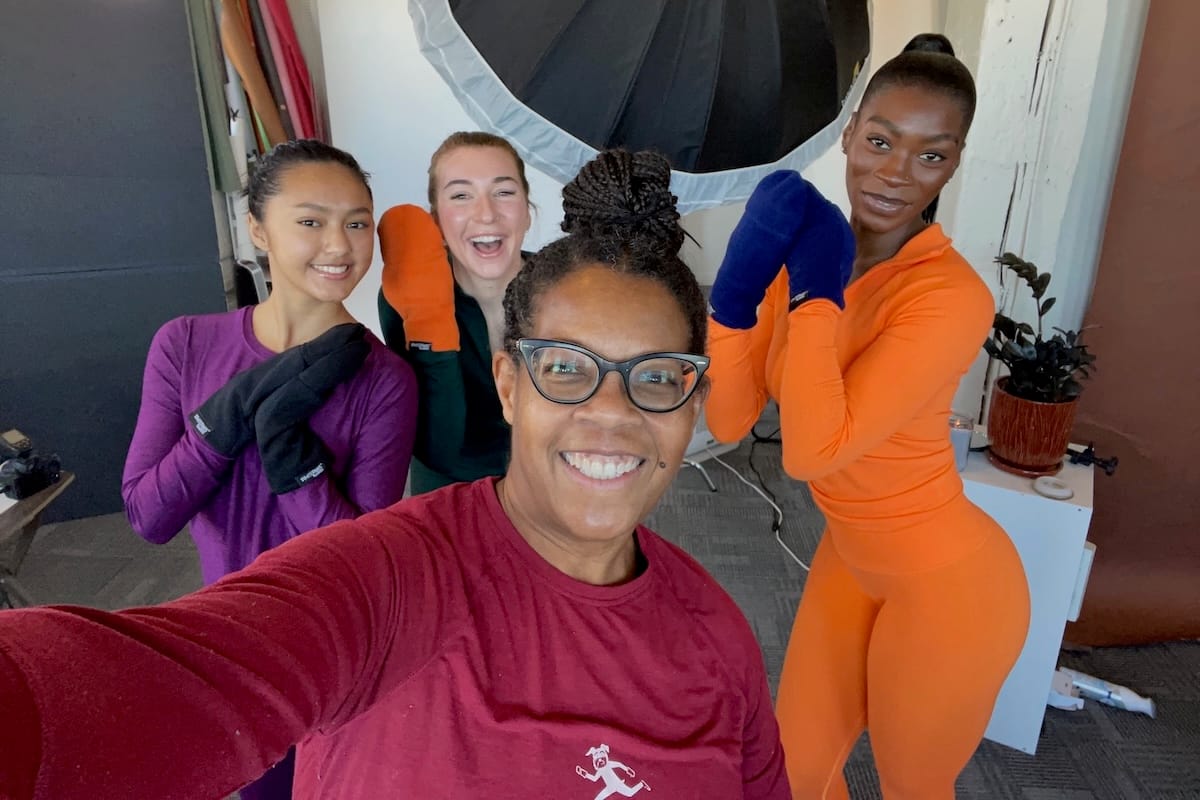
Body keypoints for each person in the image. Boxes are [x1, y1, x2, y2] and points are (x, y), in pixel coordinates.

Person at [0, 149, 789, 799]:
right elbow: (115, 688)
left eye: (655, 377)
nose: (613, 412)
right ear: (511, 383)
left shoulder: (719, 636)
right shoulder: (392, 579)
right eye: (567, 369)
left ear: (693, 402)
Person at [704, 34, 1031, 799]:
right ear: (849, 134)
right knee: (793, 770)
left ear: (953, 165)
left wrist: (820, 288)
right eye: (880, 140)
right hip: (849, 559)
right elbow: (729, 420)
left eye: (930, 155)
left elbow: (814, 453)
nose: (894, 171)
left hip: (948, 586)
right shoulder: (807, 255)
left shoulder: (950, 296)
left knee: (911, 786)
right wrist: (735, 295)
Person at [120, 139, 418, 799]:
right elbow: (149, 515)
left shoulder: (384, 379)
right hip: (224, 646)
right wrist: (224, 421)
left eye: (357, 222)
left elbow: (363, 561)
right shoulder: (186, 344)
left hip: (332, 654)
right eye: (310, 221)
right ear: (257, 229)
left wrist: (290, 454)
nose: (339, 244)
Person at [377, 131, 534, 494]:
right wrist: (433, 332)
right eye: (461, 195)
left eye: (504, 192)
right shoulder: (407, 295)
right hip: (449, 491)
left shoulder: (561, 288)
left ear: (527, 210)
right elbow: (438, 450)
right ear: (437, 223)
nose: (486, 213)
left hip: (546, 484)